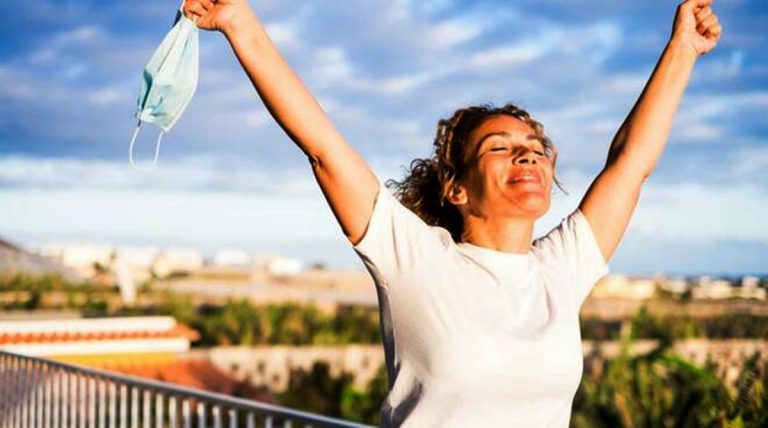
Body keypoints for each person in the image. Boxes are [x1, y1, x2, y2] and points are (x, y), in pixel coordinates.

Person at [182, 0, 722, 426]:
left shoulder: (562, 269)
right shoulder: (415, 259)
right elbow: (323, 147)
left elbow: (629, 164)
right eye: (500, 146)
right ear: (457, 189)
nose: (528, 152)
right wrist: (241, 24)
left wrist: (682, 49)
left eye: (534, 144)